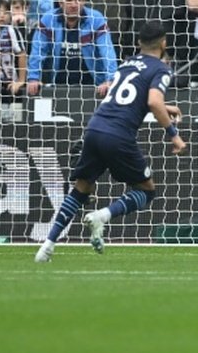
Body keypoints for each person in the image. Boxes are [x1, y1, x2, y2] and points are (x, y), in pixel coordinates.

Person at [34, 21, 186, 263]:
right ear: (164, 43)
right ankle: (102, 216)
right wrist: (174, 134)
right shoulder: (161, 68)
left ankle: (47, 248)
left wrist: (165, 106)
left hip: (94, 128)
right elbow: (153, 102)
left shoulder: (126, 64)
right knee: (146, 191)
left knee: (81, 188)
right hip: (118, 134)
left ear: (139, 43)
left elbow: (125, 97)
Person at [26, 0, 118, 96]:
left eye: (78, 0)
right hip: (57, 84)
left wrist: (110, 79)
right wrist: (33, 78)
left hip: (92, 85)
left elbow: (107, 51)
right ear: (60, 3)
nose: (74, 5)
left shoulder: (96, 19)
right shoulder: (48, 19)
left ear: (83, 1)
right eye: (69, 1)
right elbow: (38, 51)